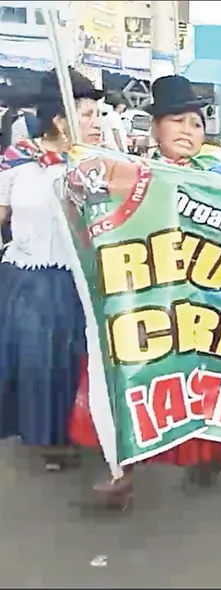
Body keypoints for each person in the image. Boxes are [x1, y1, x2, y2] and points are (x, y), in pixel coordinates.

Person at [73, 75, 221, 510]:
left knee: (200, 381)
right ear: (155, 129)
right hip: (142, 296)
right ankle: (121, 473)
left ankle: (207, 452)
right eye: (176, 121)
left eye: (196, 123)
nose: (188, 130)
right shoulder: (126, 174)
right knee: (128, 376)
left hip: (202, 300)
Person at [0, 68, 103, 474]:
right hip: (28, 277)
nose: (98, 123)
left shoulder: (97, 165)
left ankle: (76, 430)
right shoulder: (16, 161)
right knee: (36, 361)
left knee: (75, 359)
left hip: (78, 276)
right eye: (90, 114)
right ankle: (46, 438)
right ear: (61, 120)